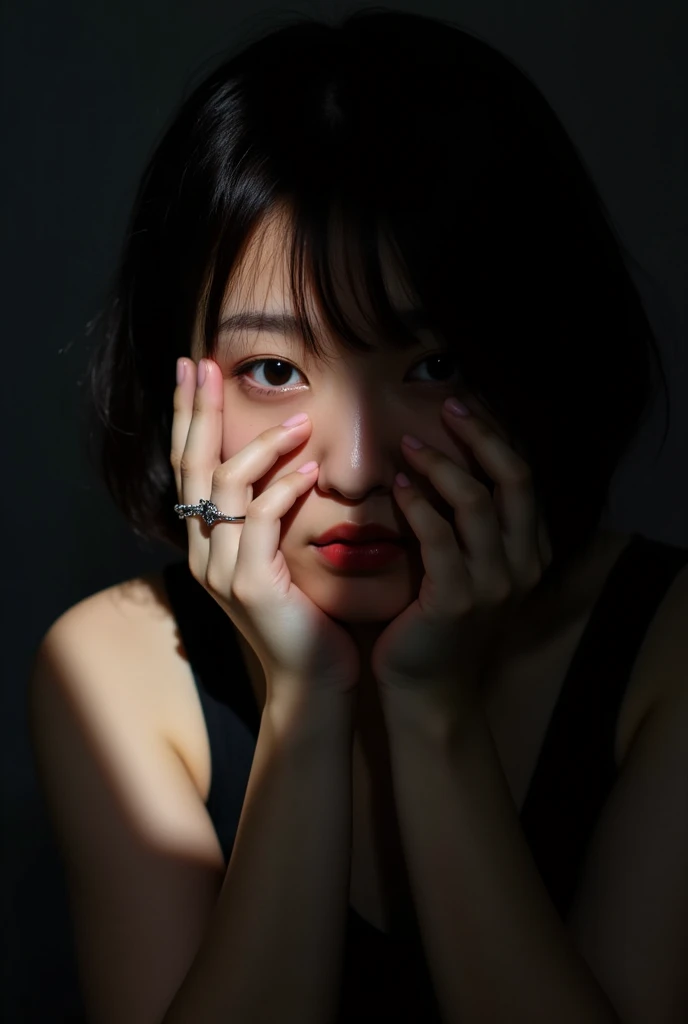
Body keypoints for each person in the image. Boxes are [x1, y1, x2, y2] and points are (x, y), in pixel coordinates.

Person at [28, 8, 688, 1024]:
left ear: (540, 360)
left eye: (435, 366)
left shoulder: (666, 650)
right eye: (275, 369)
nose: (355, 463)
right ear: (180, 391)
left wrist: (433, 713)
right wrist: (304, 703)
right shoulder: (114, 670)